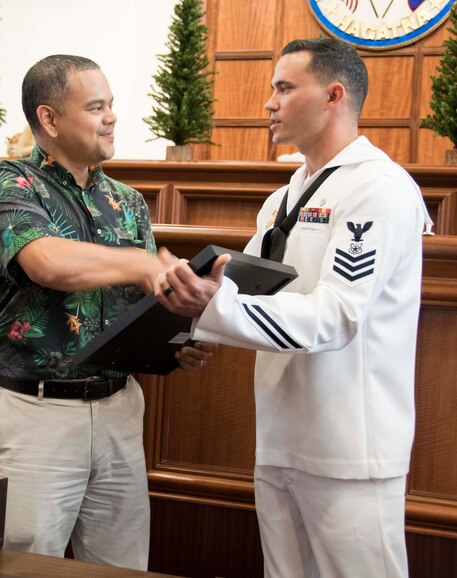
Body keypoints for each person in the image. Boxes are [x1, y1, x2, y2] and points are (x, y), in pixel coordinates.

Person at [156, 38, 432, 577]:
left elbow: (336, 315)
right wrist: (191, 328)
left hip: (349, 449)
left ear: (333, 95)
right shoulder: (286, 194)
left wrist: (217, 309)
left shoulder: (379, 188)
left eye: (284, 88)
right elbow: (246, 288)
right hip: (281, 436)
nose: (269, 103)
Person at [0, 54, 214, 570]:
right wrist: (138, 262)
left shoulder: (128, 201)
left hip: (119, 409)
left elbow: (144, 300)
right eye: (96, 106)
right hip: (39, 413)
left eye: (111, 106)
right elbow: (47, 263)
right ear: (50, 119)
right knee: (26, 563)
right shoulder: (9, 183)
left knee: (120, 564)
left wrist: (182, 336)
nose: (111, 117)